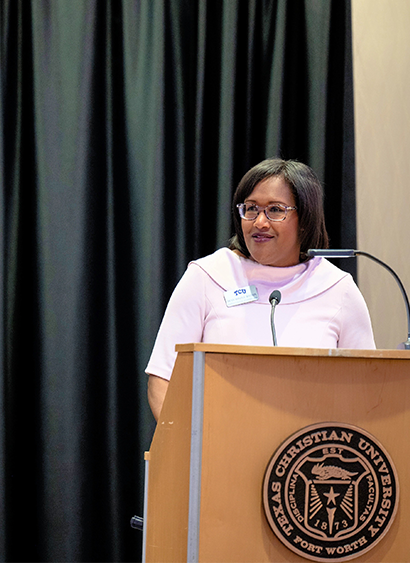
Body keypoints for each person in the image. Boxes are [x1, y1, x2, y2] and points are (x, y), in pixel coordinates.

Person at [145, 159, 375, 420]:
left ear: (305, 219)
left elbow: (365, 390)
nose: (260, 223)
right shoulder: (207, 277)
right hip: (215, 453)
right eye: (251, 209)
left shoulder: (337, 289)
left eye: (276, 210)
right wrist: (190, 450)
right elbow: (163, 378)